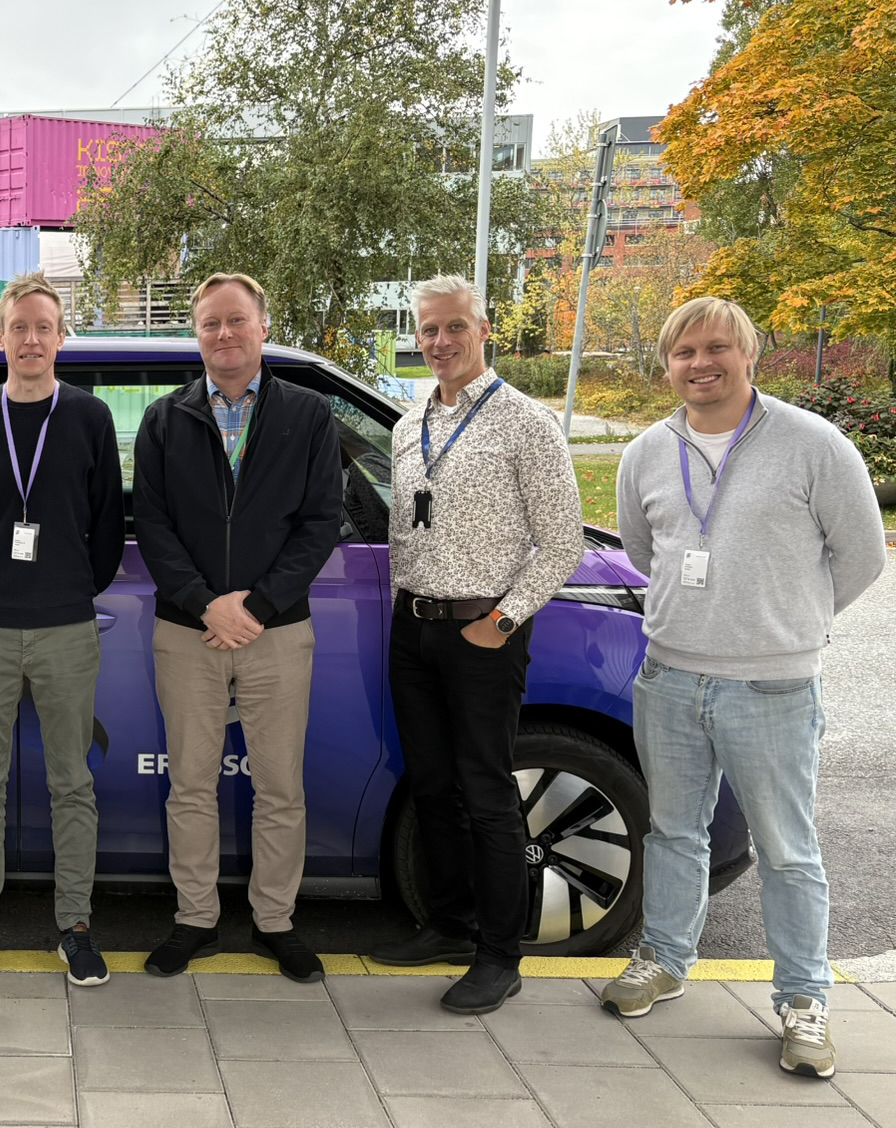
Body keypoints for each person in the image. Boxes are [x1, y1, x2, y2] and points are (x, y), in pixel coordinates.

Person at [605, 297, 884, 1079]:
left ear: (749, 355)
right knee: (673, 833)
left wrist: (789, 624)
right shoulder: (646, 454)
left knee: (788, 852)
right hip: (669, 675)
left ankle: (803, 1000)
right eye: (684, 352)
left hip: (772, 687)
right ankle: (663, 959)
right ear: (667, 364)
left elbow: (862, 557)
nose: (701, 364)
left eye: (716, 348)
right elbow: (643, 546)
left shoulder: (812, 445)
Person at [366, 274, 583, 1015]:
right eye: (428, 330)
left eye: (454, 327)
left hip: (483, 630)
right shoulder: (407, 423)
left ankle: (501, 954)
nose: (440, 342)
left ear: (484, 330)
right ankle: (451, 924)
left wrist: (504, 619)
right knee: (431, 785)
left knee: (487, 792)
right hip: (413, 626)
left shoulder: (526, 421)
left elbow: (562, 541)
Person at [132, 273, 342, 983]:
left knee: (279, 786)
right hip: (186, 630)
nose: (224, 335)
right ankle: (195, 918)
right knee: (189, 783)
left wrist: (256, 606)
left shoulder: (309, 416)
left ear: (263, 326)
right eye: (210, 324)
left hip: (276, 630)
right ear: (197, 335)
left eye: (236, 321)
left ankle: (275, 922)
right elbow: (152, 526)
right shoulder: (164, 420)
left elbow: (320, 525)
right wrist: (203, 603)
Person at [0, 272, 125, 986]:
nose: (32, 339)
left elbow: (108, 522)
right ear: (1, 338)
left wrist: (72, 586)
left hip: (65, 628)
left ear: (61, 337)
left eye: (44, 326)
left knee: (72, 783)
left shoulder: (90, 418)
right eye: (20, 327)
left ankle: (73, 926)